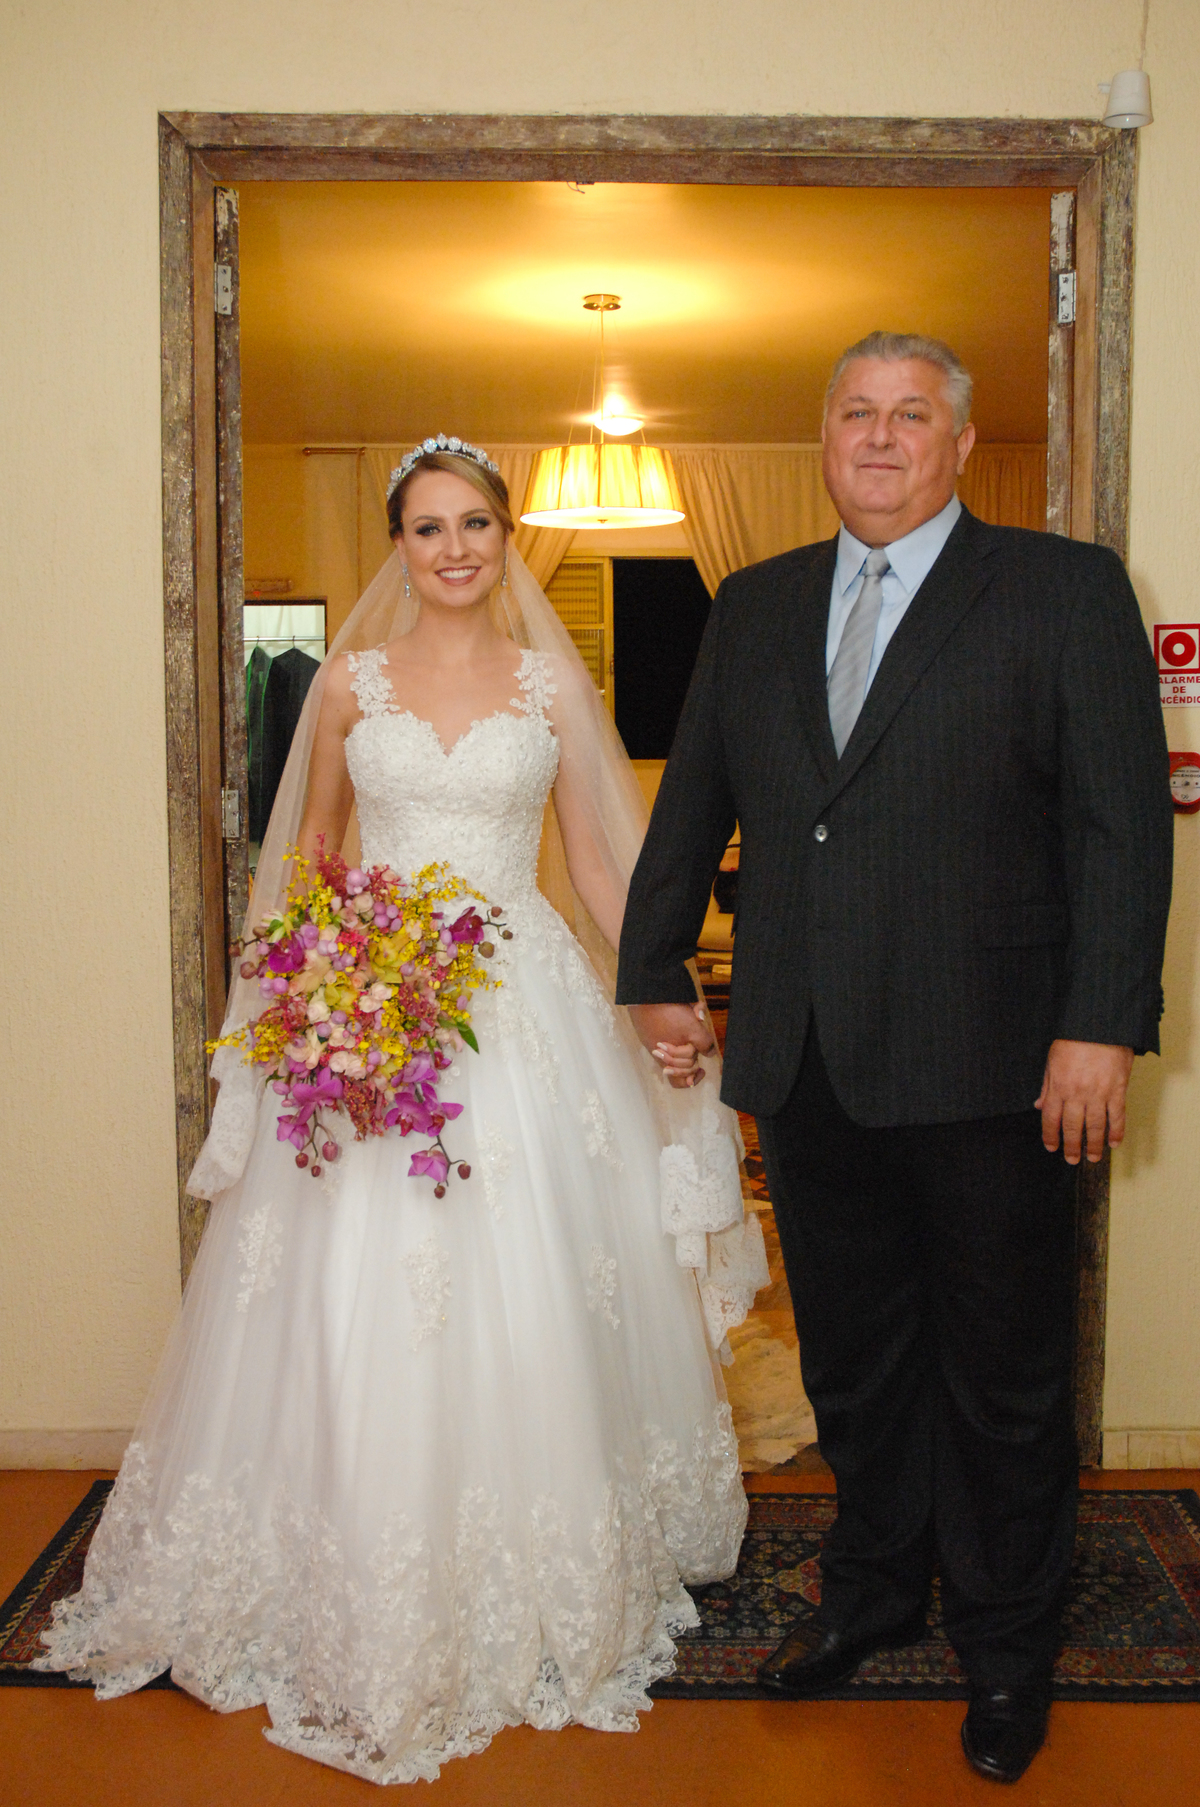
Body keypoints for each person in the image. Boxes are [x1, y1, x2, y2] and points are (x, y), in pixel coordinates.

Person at [37, 439, 767, 1784]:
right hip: (377, 1002)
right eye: (427, 527)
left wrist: (661, 991)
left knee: (539, 1272)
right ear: (398, 543)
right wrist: (315, 989)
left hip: (522, 1000)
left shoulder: (550, 680)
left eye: (475, 524)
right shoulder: (344, 685)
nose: (453, 549)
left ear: (503, 536)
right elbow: (313, 850)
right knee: (350, 1280)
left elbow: (602, 865)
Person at [617, 334, 1173, 1784]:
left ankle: (1003, 1649)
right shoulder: (755, 603)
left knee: (1003, 1376)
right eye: (853, 412)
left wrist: (1101, 1025)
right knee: (856, 1367)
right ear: (823, 436)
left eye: (907, 415)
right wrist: (652, 965)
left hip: (1002, 1065)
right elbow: (699, 805)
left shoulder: (1061, 591)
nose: (877, 437)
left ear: (959, 443)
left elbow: (1120, 828)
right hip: (805, 1059)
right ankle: (867, 1599)